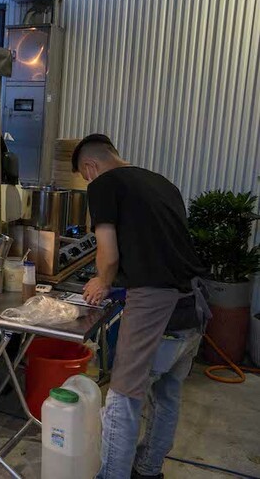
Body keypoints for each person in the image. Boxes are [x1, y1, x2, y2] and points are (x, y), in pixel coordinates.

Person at [71, 134, 211, 479]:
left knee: (122, 399)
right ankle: (148, 470)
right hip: (193, 303)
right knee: (167, 395)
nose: (88, 181)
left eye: (85, 176)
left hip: (154, 307)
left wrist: (102, 281)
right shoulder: (163, 183)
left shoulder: (103, 184)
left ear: (90, 167)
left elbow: (108, 253)